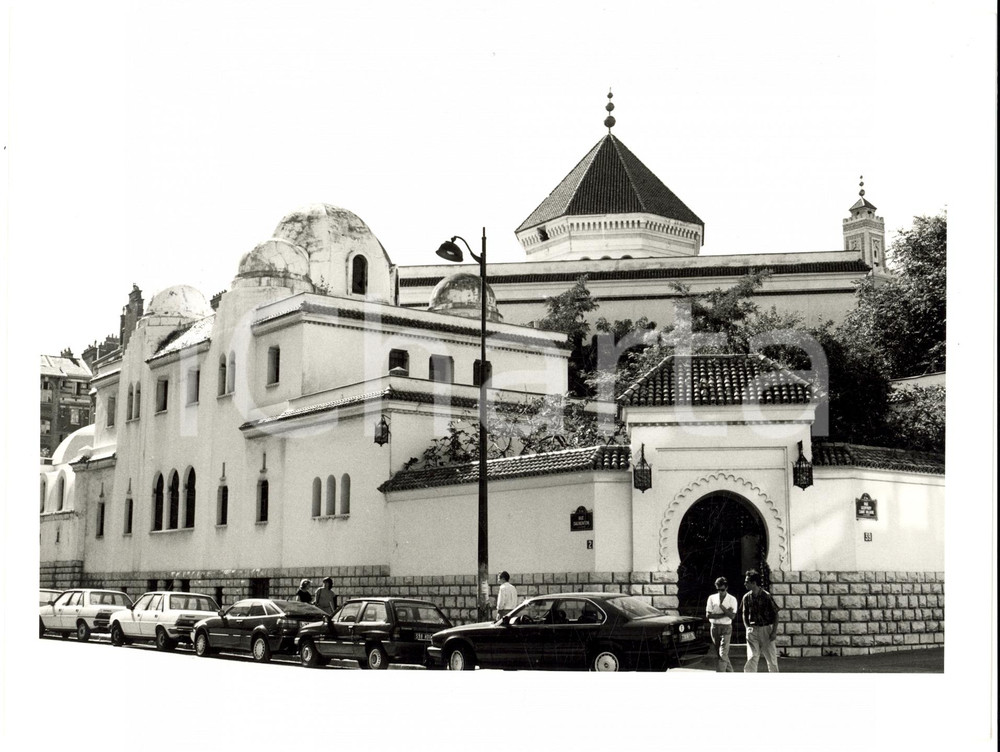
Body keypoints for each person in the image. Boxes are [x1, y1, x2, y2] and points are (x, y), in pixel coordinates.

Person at [741, 569, 780, 673]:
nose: (745, 584)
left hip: (766, 630)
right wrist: (747, 627)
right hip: (753, 630)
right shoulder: (746, 597)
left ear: (754, 583)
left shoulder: (766, 596)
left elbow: (776, 614)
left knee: (771, 659)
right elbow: (744, 614)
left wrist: (774, 632)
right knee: (752, 657)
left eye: (747, 582)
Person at [705, 576, 738, 672]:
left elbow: (732, 616)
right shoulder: (712, 598)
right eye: (718, 589)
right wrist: (725, 613)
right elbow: (708, 615)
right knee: (721, 655)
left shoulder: (732, 599)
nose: (720, 592)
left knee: (723, 653)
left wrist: (722, 607)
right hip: (714, 628)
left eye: (722, 590)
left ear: (726, 588)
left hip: (726, 627)